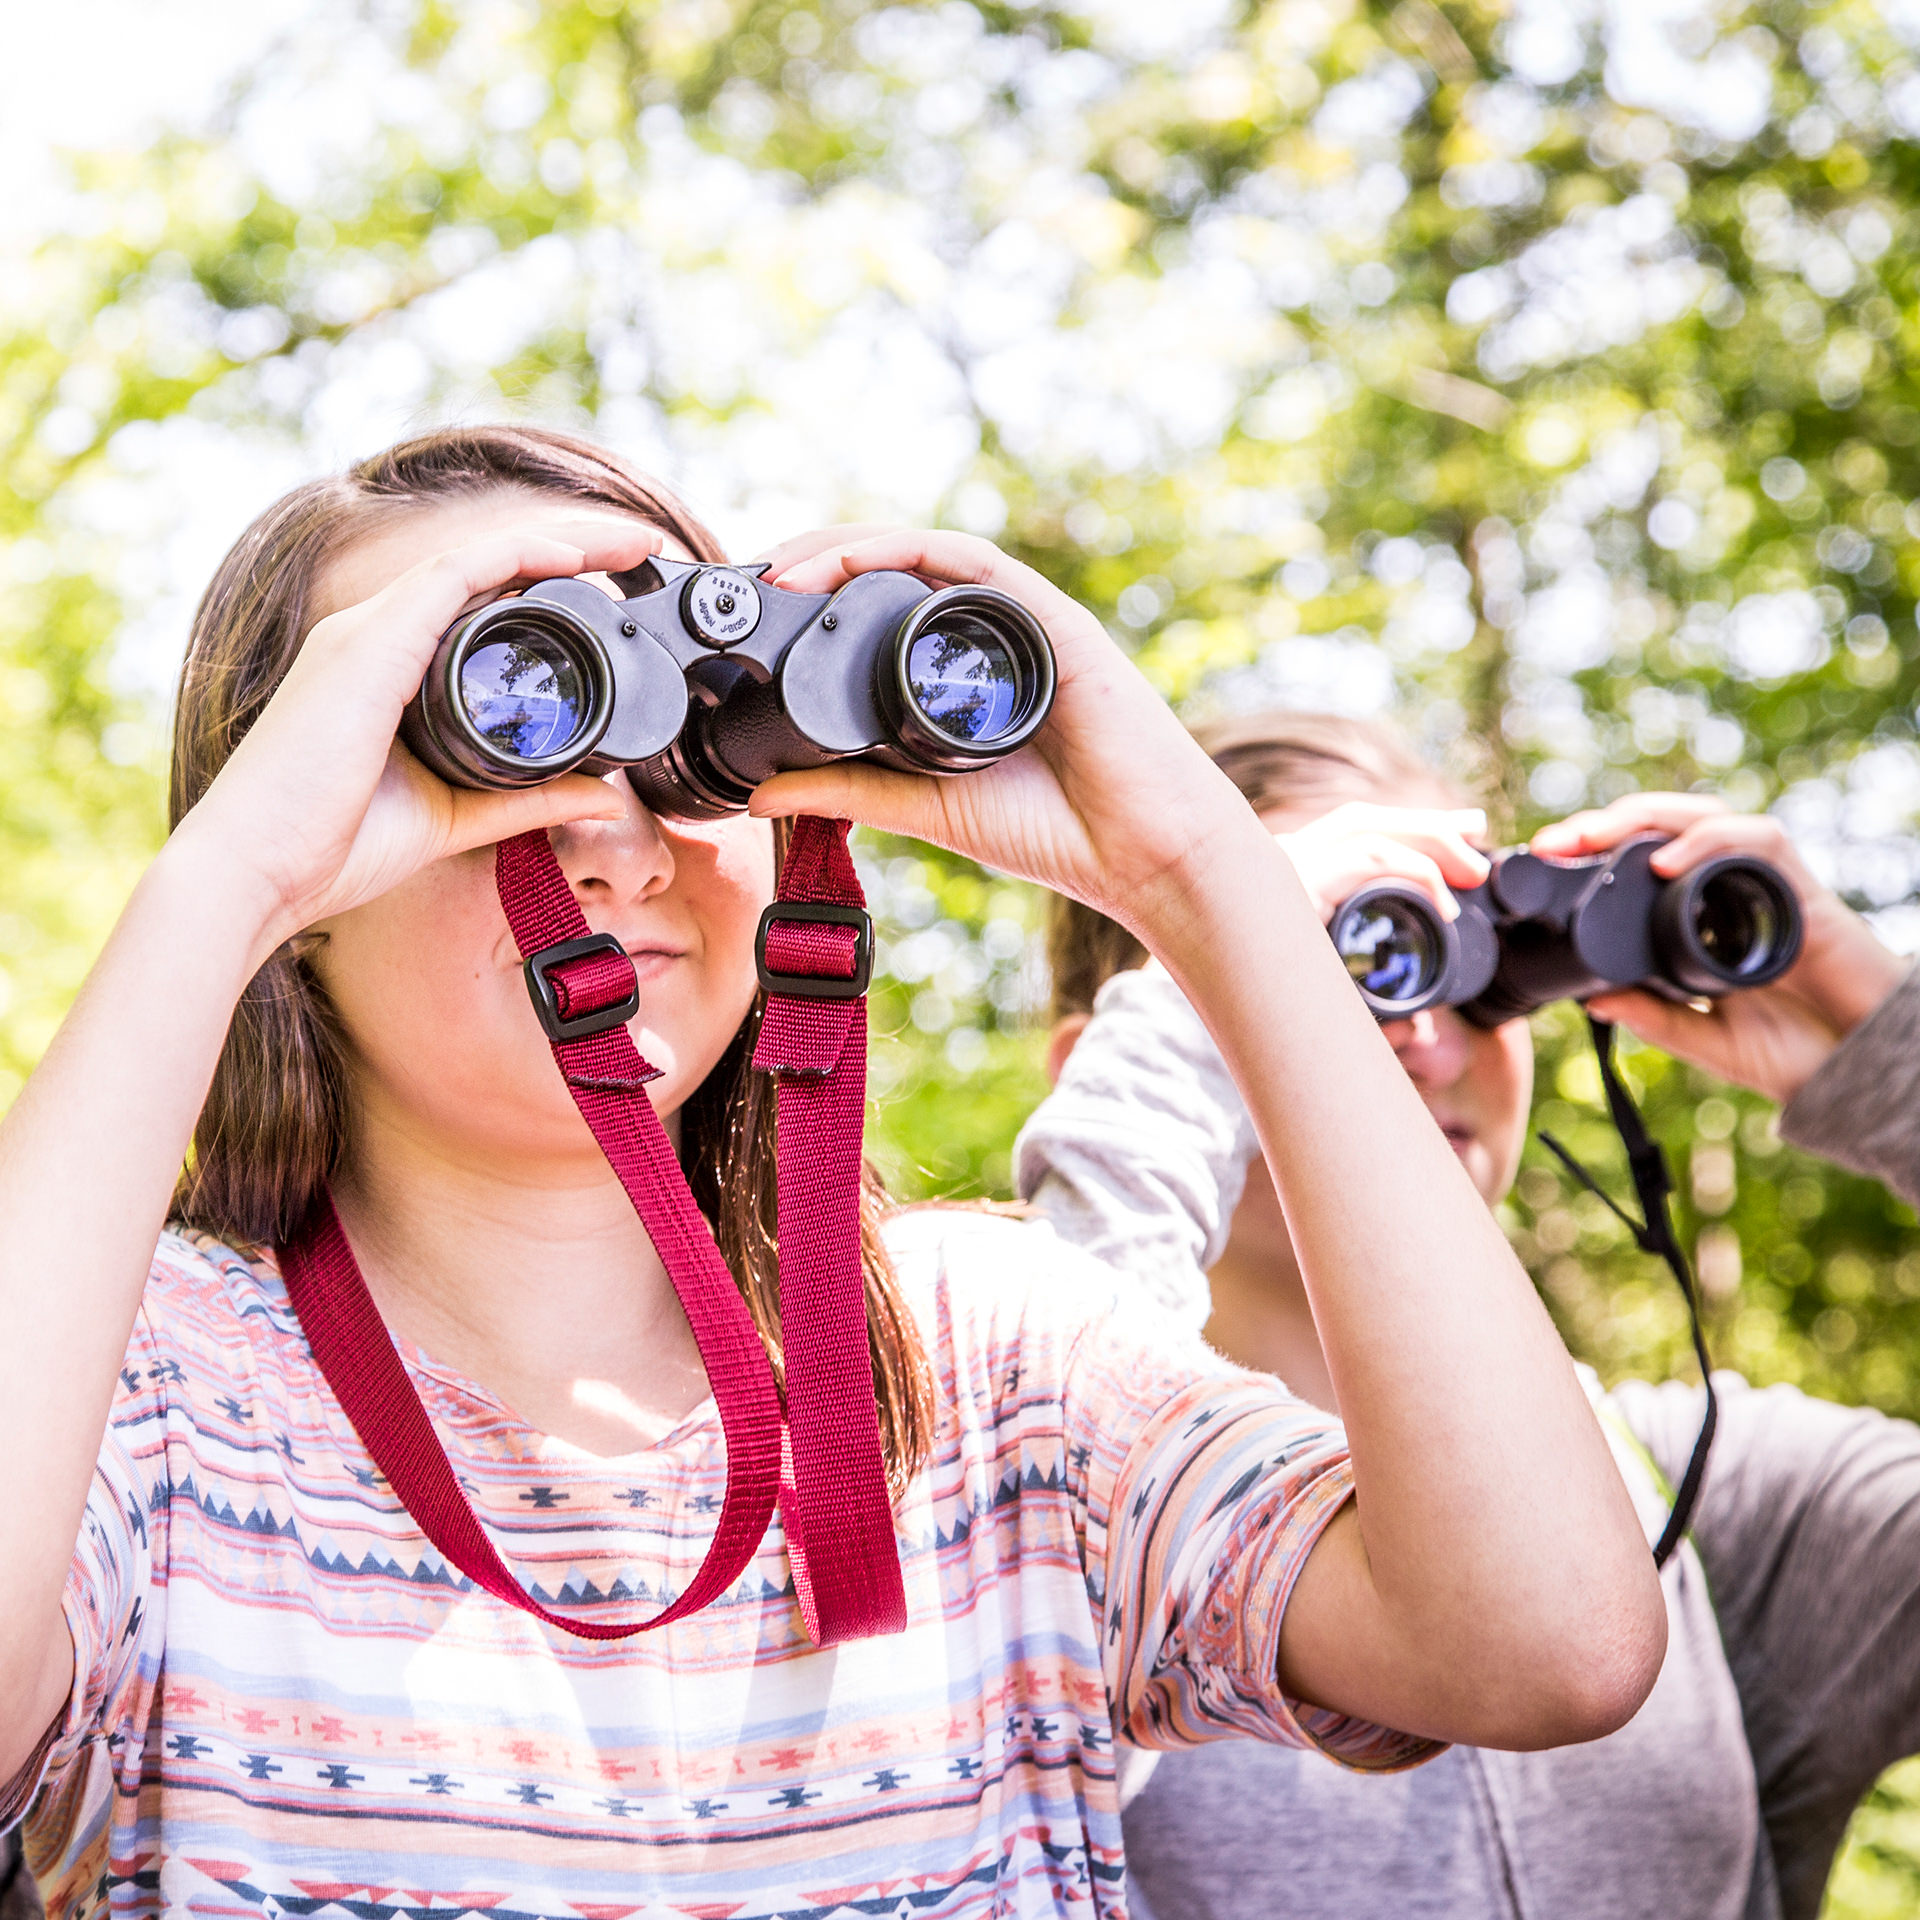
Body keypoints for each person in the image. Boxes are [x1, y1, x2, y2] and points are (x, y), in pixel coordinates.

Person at [0, 430, 1665, 1916]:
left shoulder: (991, 1366)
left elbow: (1547, 1646)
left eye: (677, 740)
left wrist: (1197, 872)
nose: (611, 832)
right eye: (493, 723)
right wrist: (226, 884)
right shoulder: (140, 1396)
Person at [1019, 707, 1920, 1920]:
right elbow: (1044, 1578)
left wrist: (1881, 1044)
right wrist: (1216, 944)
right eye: (1331, 969)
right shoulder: (1009, 1536)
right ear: (1124, 1065)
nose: (1426, 1043)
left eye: (1474, 970)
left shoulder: (1707, 1507)